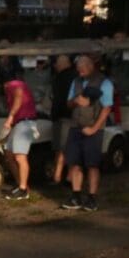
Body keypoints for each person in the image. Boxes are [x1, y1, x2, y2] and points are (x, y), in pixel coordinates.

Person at [60, 53, 112, 212]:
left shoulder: (105, 83)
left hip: (93, 128)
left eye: (82, 69)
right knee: (74, 163)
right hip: (76, 126)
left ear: (90, 67)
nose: (79, 72)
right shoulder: (76, 82)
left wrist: (95, 129)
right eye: (78, 69)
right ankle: (75, 195)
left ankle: (91, 198)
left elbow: (106, 108)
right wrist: (75, 101)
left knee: (92, 164)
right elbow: (68, 104)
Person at [0, 56, 38, 199]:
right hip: (19, 123)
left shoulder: (15, 84)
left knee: (20, 157)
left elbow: (19, 98)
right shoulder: (14, 84)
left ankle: (22, 190)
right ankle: (21, 184)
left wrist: (10, 117)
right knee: (9, 155)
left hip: (25, 122)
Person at [50, 52, 76, 184]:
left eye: (58, 64)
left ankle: (59, 176)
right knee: (63, 147)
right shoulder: (72, 77)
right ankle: (63, 176)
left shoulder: (64, 78)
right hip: (65, 115)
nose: (56, 66)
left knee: (63, 148)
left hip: (65, 116)